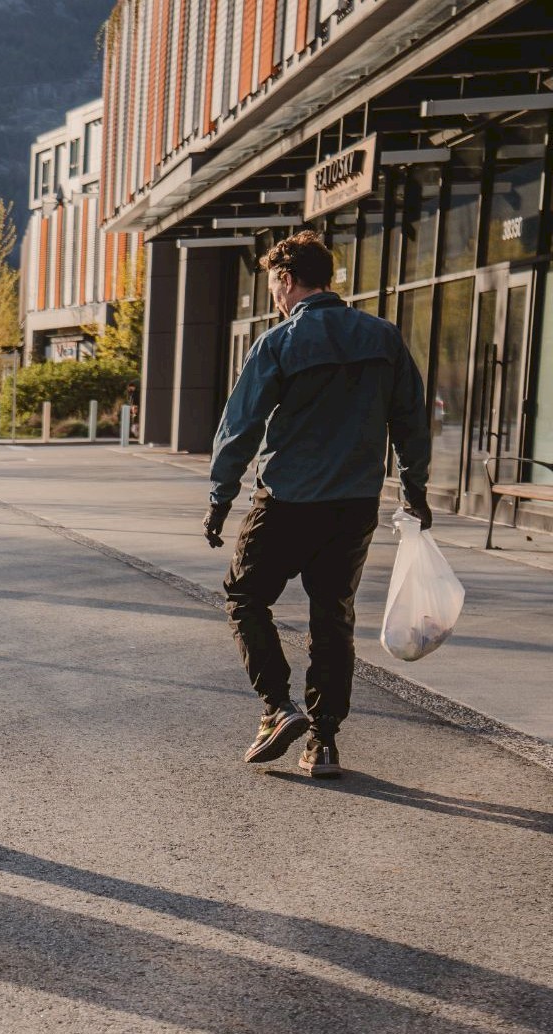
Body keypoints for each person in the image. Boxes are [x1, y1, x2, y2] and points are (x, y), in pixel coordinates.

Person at [208, 230, 431, 779]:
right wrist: (415, 490)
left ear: (286, 279)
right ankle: (324, 743)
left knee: (245, 596)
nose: (274, 299)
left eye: (273, 286)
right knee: (332, 616)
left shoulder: (280, 342)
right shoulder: (383, 336)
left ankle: (277, 708)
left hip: (288, 500)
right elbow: (410, 421)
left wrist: (220, 498)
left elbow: (240, 428)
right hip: (354, 505)